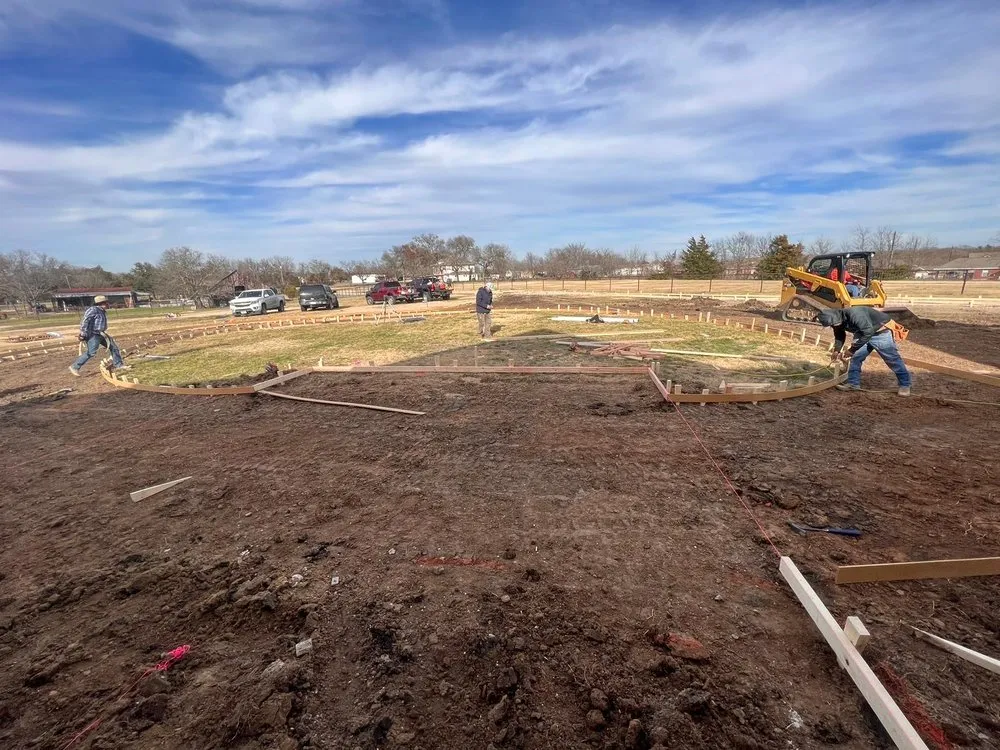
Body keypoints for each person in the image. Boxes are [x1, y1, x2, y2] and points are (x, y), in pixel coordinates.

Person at [817, 308, 911, 396]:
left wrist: (852, 350)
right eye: (832, 325)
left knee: (892, 359)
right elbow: (839, 334)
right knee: (856, 358)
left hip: (880, 332)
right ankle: (853, 384)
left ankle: (905, 385)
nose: (835, 326)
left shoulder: (855, 314)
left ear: (837, 317)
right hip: (862, 332)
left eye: (835, 324)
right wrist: (836, 350)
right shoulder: (834, 320)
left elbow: (868, 333)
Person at [69, 295, 128, 376]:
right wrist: (83, 333)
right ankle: (75, 366)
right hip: (93, 334)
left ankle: (119, 365)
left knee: (114, 347)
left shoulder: (102, 311)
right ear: (102, 303)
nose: (108, 304)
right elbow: (85, 321)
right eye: (107, 303)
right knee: (91, 352)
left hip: (101, 334)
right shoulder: (93, 310)